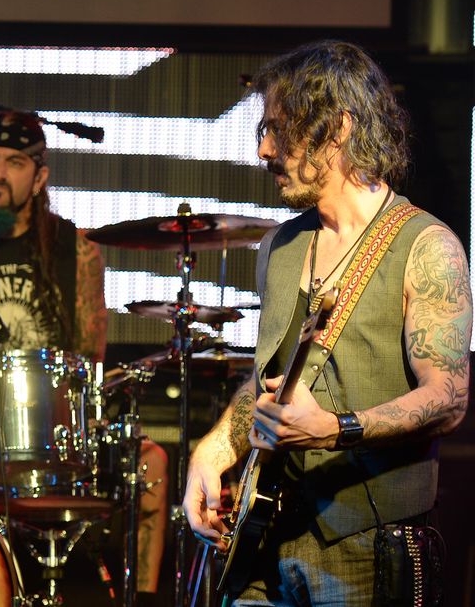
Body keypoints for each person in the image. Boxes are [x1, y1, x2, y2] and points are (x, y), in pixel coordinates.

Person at [183, 40, 471, 604]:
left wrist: (336, 428)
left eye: (277, 129)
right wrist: (214, 450)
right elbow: (271, 378)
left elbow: (449, 397)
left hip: (367, 543)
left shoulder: (427, 246)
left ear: (336, 129)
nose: (263, 149)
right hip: (266, 534)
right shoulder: (282, 246)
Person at [0, 110, 168, 597]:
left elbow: (87, 364)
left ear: (40, 175)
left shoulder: (79, 252)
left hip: (57, 436)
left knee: (149, 464)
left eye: (14, 162)